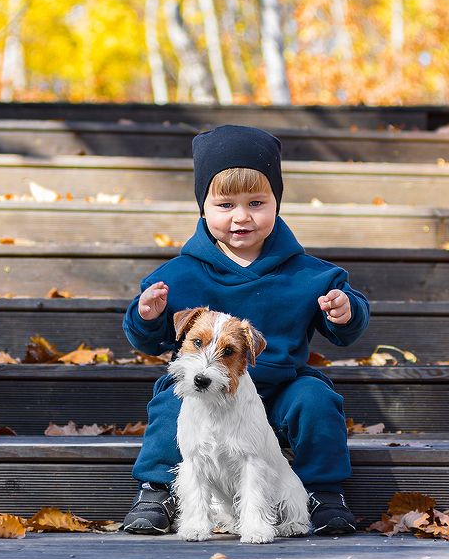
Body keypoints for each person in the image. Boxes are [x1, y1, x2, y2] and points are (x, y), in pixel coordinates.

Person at [121, 124, 370, 536]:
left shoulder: (309, 274)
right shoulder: (179, 275)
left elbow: (346, 329)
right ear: (203, 207)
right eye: (225, 204)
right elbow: (151, 340)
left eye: (256, 202)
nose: (241, 216)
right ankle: (158, 488)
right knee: (170, 401)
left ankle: (322, 491)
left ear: (277, 203)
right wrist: (147, 315)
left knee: (317, 398)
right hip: (207, 390)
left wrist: (343, 312)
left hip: (280, 386)